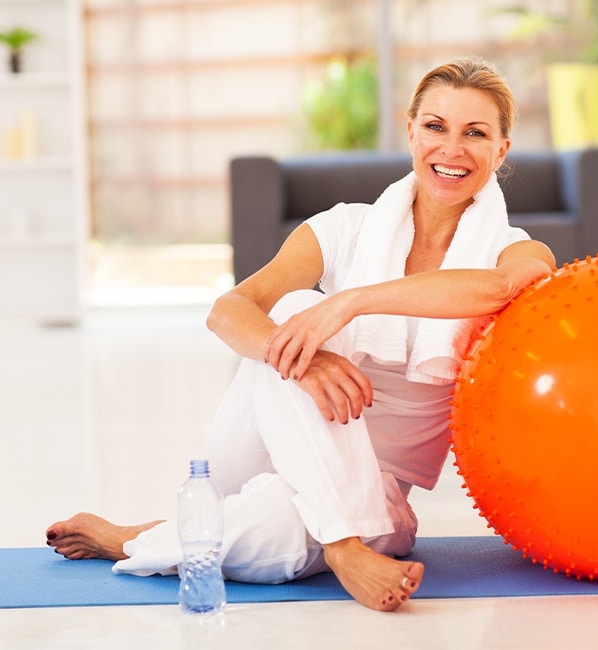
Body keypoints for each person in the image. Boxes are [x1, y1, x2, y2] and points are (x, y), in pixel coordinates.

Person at [45, 56, 556, 612]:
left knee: (278, 527)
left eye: (475, 133)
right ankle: (342, 545)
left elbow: (503, 288)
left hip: (378, 484)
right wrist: (300, 356)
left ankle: (129, 537)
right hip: (263, 441)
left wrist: (352, 301)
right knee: (292, 306)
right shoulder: (344, 227)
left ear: (501, 150)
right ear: (410, 131)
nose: (451, 149)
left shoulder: (514, 249)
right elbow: (228, 309)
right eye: (435, 126)